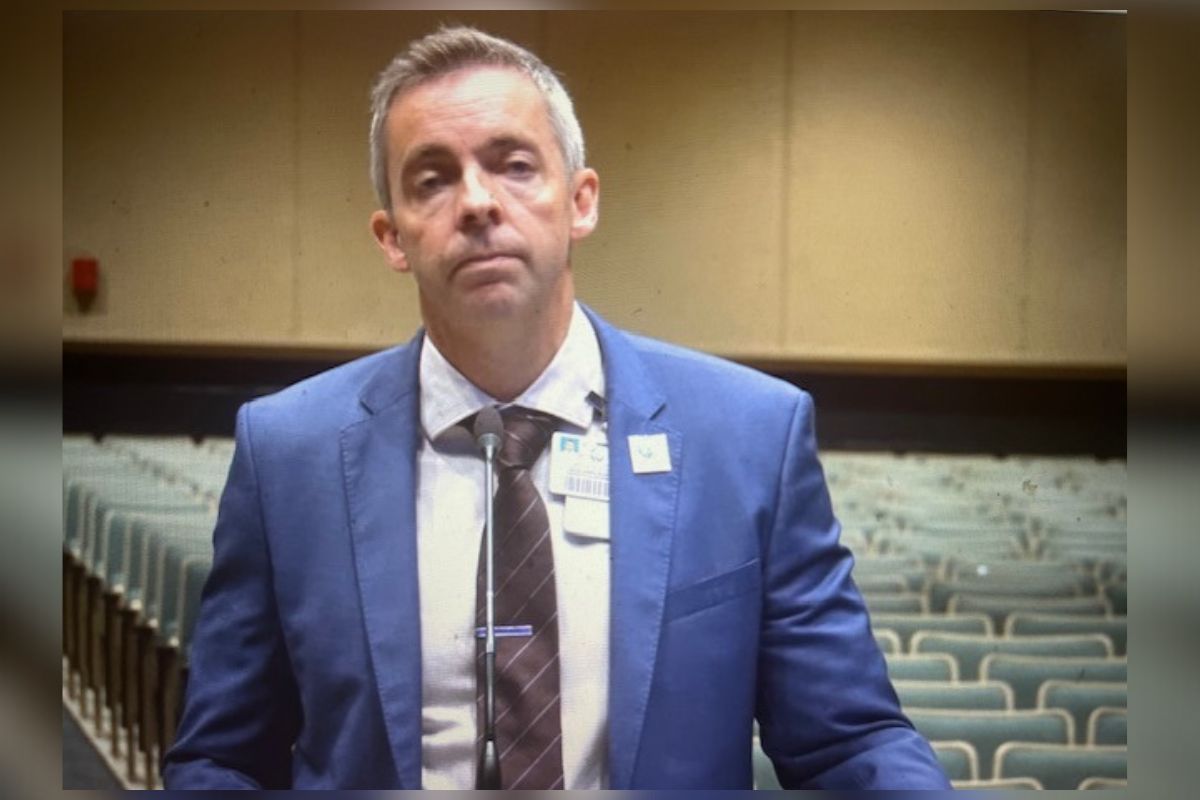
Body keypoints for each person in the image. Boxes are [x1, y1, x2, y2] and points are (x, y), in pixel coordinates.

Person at [163, 26, 950, 790]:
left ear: (580, 201)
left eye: (513, 165)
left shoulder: (747, 436)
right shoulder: (287, 452)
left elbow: (848, 742)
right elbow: (224, 759)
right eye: (432, 179)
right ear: (391, 237)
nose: (476, 203)